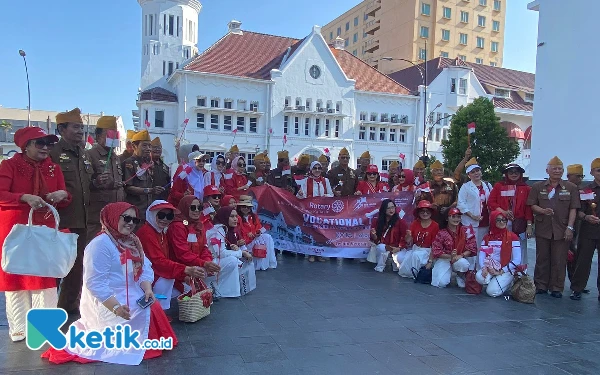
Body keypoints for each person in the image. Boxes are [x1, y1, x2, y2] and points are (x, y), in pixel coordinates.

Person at [41, 202, 177, 365]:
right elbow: (95, 284)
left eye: (135, 220)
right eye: (126, 218)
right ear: (112, 217)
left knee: (149, 305)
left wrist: (147, 288)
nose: (131, 223)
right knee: (140, 309)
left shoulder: (132, 241)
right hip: (106, 299)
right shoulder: (100, 244)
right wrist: (116, 308)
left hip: (130, 290)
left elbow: (145, 266)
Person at [0, 127, 70, 341]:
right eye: (40, 143)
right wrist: (24, 197)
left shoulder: (54, 168)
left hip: (44, 229)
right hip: (15, 230)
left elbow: (65, 198)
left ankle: (43, 330)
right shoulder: (9, 165)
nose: (46, 148)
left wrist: (63, 193)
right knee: (16, 277)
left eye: (49, 143)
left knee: (45, 278)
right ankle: (20, 328)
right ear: (26, 145)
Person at [50, 107, 92, 314]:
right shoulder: (52, 153)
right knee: (57, 267)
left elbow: (87, 183)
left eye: (81, 127)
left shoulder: (83, 154)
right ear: (61, 129)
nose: (80, 131)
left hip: (83, 220)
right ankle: (50, 309)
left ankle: (68, 307)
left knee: (77, 267)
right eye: (76, 127)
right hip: (62, 220)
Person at [137, 200, 206, 310]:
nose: (165, 219)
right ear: (152, 215)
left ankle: (159, 309)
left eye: (169, 216)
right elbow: (158, 262)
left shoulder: (160, 232)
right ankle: (157, 311)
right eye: (161, 215)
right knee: (167, 280)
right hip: (147, 276)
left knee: (186, 287)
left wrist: (184, 274)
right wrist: (185, 270)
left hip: (158, 272)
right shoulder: (147, 232)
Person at [527, 156, 580, 298]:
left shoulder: (571, 187)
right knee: (542, 258)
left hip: (562, 228)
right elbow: (532, 205)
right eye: (554, 168)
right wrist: (542, 211)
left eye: (560, 169)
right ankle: (541, 285)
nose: (557, 171)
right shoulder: (538, 187)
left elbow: (573, 209)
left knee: (559, 259)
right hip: (543, 227)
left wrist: (570, 228)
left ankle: (557, 287)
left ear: (563, 171)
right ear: (547, 170)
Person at [166, 196, 221, 297]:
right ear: (185, 208)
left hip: (196, 264)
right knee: (192, 293)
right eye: (192, 208)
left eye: (199, 208)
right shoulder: (177, 226)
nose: (196, 211)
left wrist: (208, 261)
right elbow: (182, 254)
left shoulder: (199, 224)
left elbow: (204, 247)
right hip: (181, 269)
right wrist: (204, 263)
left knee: (218, 266)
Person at [86, 116, 125, 239]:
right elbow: (85, 184)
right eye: (108, 134)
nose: (112, 138)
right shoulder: (90, 155)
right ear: (98, 136)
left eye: (115, 135)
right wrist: (96, 182)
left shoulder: (115, 157)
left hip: (114, 215)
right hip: (97, 215)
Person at [488, 163, 533, 265]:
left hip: (520, 223)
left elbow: (528, 208)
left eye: (516, 172)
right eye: (511, 172)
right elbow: (491, 202)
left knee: (520, 248)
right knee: (502, 247)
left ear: (520, 174)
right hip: (502, 222)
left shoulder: (526, 188)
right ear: (506, 174)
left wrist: (529, 226)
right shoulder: (499, 186)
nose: (513, 174)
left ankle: (520, 274)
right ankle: (501, 269)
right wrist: (503, 212)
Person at [206, 206, 255, 297]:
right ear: (225, 217)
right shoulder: (218, 229)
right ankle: (214, 287)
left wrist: (236, 249)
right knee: (233, 261)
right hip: (209, 262)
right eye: (232, 216)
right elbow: (221, 253)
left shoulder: (227, 229)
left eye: (236, 216)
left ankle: (226, 290)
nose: (235, 219)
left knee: (238, 261)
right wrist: (241, 253)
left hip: (215, 260)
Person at [569, 158, 600, 301]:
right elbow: (579, 211)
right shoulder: (586, 190)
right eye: (598, 170)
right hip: (588, 230)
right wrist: (587, 217)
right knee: (583, 261)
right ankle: (577, 289)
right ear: (592, 172)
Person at [475, 211, 521, 298]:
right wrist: (484, 268)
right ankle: (495, 280)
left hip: (506, 269)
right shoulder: (487, 237)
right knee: (479, 277)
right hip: (491, 267)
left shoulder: (513, 237)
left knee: (491, 292)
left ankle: (506, 283)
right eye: (498, 220)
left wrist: (501, 271)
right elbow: (482, 255)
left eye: (504, 220)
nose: (502, 222)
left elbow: (517, 260)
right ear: (493, 221)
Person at [122, 130, 164, 221]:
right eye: (144, 145)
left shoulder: (146, 164)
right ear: (134, 146)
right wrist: (149, 190)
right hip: (134, 212)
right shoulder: (129, 163)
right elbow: (128, 187)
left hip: (147, 210)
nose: (148, 149)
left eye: (149, 146)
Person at [430, 208, 476, 288]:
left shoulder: (466, 230)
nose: (456, 219)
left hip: (458, 258)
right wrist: (450, 256)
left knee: (463, 263)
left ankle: (460, 275)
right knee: (441, 283)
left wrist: (460, 255)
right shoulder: (441, 233)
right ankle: (444, 272)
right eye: (453, 216)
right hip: (445, 259)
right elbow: (436, 251)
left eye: (458, 217)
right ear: (447, 218)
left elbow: (472, 247)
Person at [398, 201, 440, 278]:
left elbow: (435, 245)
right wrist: (408, 236)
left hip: (427, 251)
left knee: (415, 255)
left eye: (427, 211)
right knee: (402, 266)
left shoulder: (435, 225)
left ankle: (416, 274)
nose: (425, 214)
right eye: (422, 211)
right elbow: (409, 242)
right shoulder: (415, 223)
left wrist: (430, 261)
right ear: (418, 213)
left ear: (431, 213)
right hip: (415, 248)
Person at [457, 158, 492, 249]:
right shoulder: (465, 187)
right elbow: (461, 203)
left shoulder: (487, 185)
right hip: (470, 222)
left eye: (477, 171)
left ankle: (480, 263)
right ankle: (471, 264)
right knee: (471, 247)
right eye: (473, 172)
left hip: (485, 221)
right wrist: (472, 216)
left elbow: (492, 201)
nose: (476, 173)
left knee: (483, 246)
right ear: (469, 175)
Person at [237, 195, 277, 270]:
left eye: (247, 207)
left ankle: (267, 264)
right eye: (243, 206)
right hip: (245, 241)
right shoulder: (238, 218)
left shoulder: (254, 216)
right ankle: (258, 265)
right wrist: (249, 235)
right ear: (240, 207)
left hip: (254, 238)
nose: (246, 208)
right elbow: (239, 231)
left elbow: (258, 227)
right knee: (263, 239)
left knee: (267, 237)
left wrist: (256, 233)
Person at [370, 199, 408, 272]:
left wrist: (399, 248)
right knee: (380, 247)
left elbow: (404, 237)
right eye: (388, 208)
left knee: (399, 263)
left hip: (397, 248)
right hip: (385, 247)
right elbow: (376, 241)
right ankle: (380, 266)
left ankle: (395, 264)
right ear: (384, 209)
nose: (391, 210)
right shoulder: (377, 222)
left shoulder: (401, 222)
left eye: (393, 207)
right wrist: (374, 235)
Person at [566, 164, 585, 285]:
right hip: (567, 225)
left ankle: (576, 283)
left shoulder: (585, 190)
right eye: (577, 176)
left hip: (582, 226)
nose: (579, 179)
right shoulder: (564, 189)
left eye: (581, 176)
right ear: (568, 176)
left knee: (578, 255)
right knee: (568, 254)